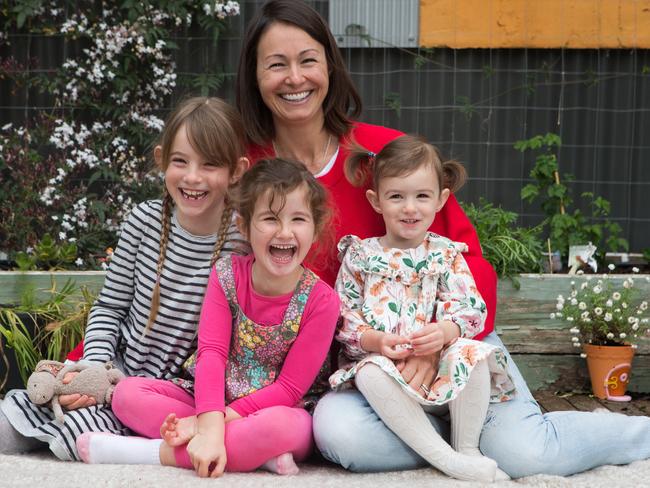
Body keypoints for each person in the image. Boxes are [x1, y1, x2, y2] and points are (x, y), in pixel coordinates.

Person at [236, 0, 650, 478]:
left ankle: (629, 435)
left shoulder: (381, 154)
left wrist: (435, 344)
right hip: (370, 365)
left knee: (526, 456)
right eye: (276, 64)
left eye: (308, 59)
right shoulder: (249, 171)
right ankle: (456, 452)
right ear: (254, 75)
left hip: (446, 337)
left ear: (330, 65)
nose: (294, 77)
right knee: (340, 436)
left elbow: (471, 262)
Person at [0, 97, 250, 460]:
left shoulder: (242, 241)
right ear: (162, 159)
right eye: (180, 161)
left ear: (237, 170)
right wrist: (94, 368)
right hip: (114, 367)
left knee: (80, 427)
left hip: (175, 392)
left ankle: (134, 443)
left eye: (210, 165)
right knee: (14, 421)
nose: (193, 177)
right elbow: (109, 307)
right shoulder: (144, 221)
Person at [75, 158, 340, 478]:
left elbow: (288, 388)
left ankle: (143, 452)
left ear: (315, 228)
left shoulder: (321, 301)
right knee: (127, 394)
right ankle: (253, 456)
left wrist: (210, 425)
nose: (284, 231)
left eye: (298, 219)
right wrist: (209, 419)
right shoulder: (226, 275)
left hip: (277, 410)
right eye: (270, 218)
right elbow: (211, 355)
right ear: (244, 226)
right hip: (209, 399)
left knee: (282, 429)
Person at [330, 135, 515, 482]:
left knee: (471, 353)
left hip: (439, 372)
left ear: (441, 200)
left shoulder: (446, 254)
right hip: (386, 377)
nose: (410, 208)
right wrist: (374, 340)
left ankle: (467, 449)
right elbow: (344, 316)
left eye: (422, 196)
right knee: (370, 370)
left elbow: (470, 309)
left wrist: (446, 333)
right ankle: (445, 458)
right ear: (376, 201)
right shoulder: (360, 255)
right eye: (396, 196)